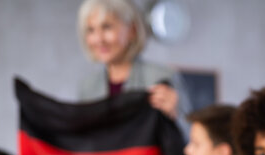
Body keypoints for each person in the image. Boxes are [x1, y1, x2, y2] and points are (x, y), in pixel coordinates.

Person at [77, 0, 192, 140]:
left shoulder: (162, 77)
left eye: (107, 27)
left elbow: (191, 142)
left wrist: (175, 115)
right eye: (91, 30)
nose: (98, 39)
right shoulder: (88, 87)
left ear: (132, 31)